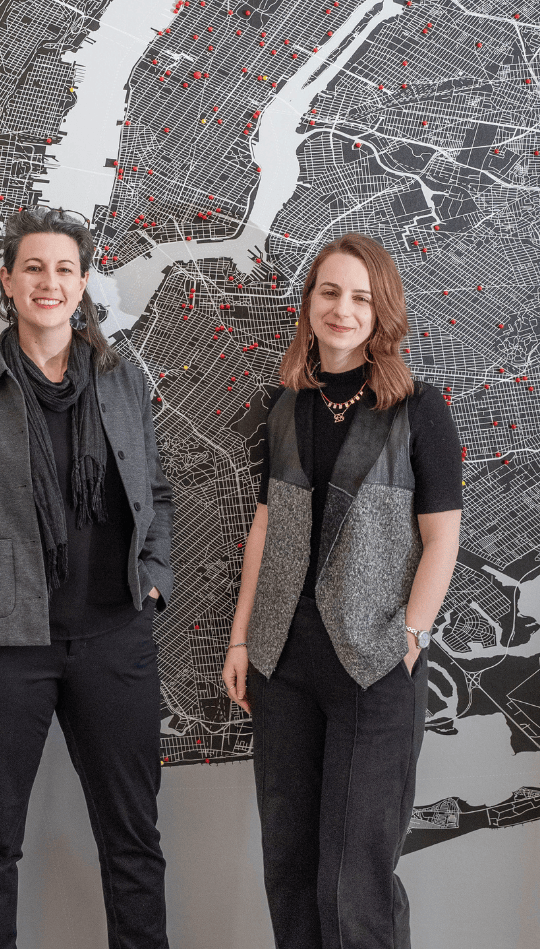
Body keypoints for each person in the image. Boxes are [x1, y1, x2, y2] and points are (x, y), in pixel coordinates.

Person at [0, 207, 173, 949]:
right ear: (7, 280)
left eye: (64, 269)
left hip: (116, 636)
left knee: (133, 843)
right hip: (0, 647)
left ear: (84, 282)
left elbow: (156, 491)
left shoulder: (122, 379)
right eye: (33, 268)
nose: (49, 282)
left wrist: (154, 576)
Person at [222, 233, 462, 949]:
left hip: (376, 662)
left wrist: (410, 636)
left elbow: (443, 538)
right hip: (283, 661)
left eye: (360, 296)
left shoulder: (419, 409)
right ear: (309, 303)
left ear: (381, 309)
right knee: (290, 868)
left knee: (354, 879)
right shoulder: (286, 407)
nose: (343, 309)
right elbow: (264, 528)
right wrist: (241, 638)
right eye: (330, 291)